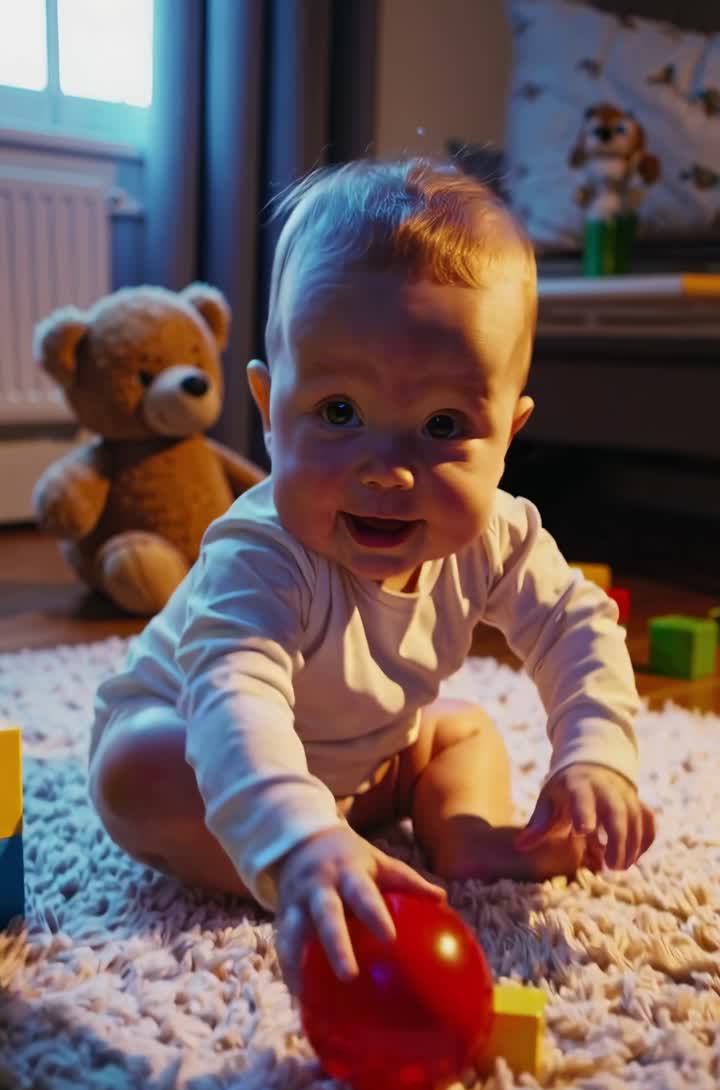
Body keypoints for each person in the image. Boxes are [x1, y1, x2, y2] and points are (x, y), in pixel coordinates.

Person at [88, 157, 656, 996]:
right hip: (206, 743)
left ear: (510, 433)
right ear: (269, 408)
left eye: (442, 424)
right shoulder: (260, 555)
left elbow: (578, 626)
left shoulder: (496, 534)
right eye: (339, 413)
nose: (386, 469)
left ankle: (467, 833)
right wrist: (297, 839)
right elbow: (234, 701)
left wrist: (596, 754)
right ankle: (300, 863)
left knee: (461, 730)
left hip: (369, 761)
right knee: (134, 771)